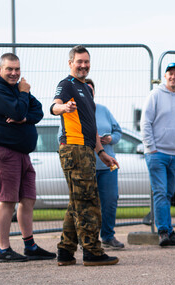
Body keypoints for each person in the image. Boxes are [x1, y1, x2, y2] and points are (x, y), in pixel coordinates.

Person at [0, 53, 56, 263]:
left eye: (17, 69)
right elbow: (17, 109)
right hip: (3, 151)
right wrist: (23, 97)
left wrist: (23, 117)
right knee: (7, 201)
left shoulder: (15, 89)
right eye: (9, 69)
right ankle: (3, 250)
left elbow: (38, 111)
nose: (14, 73)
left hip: (21, 153)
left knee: (28, 199)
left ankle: (30, 246)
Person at [50, 45, 119, 266]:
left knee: (76, 202)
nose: (83, 65)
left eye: (86, 62)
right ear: (70, 63)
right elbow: (53, 106)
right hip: (74, 149)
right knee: (88, 201)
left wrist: (102, 153)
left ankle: (65, 252)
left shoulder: (86, 90)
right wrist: (63, 108)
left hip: (88, 150)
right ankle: (92, 251)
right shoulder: (67, 85)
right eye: (79, 61)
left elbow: (92, 129)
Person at [142, 62, 175, 246]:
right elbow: (145, 122)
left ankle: (167, 228)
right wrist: (151, 147)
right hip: (157, 154)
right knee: (160, 192)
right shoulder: (155, 95)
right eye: (170, 74)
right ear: (165, 76)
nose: (173, 77)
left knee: (168, 193)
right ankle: (164, 232)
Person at [84, 79, 124, 250]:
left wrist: (110, 139)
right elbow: (61, 138)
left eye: (91, 90)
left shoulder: (103, 110)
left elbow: (118, 131)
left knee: (110, 200)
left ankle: (108, 236)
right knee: (87, 204)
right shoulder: (73, 112)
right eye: (85, 89)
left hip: (107, 165)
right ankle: (88, 239)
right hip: (86, 166)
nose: (88, 92)